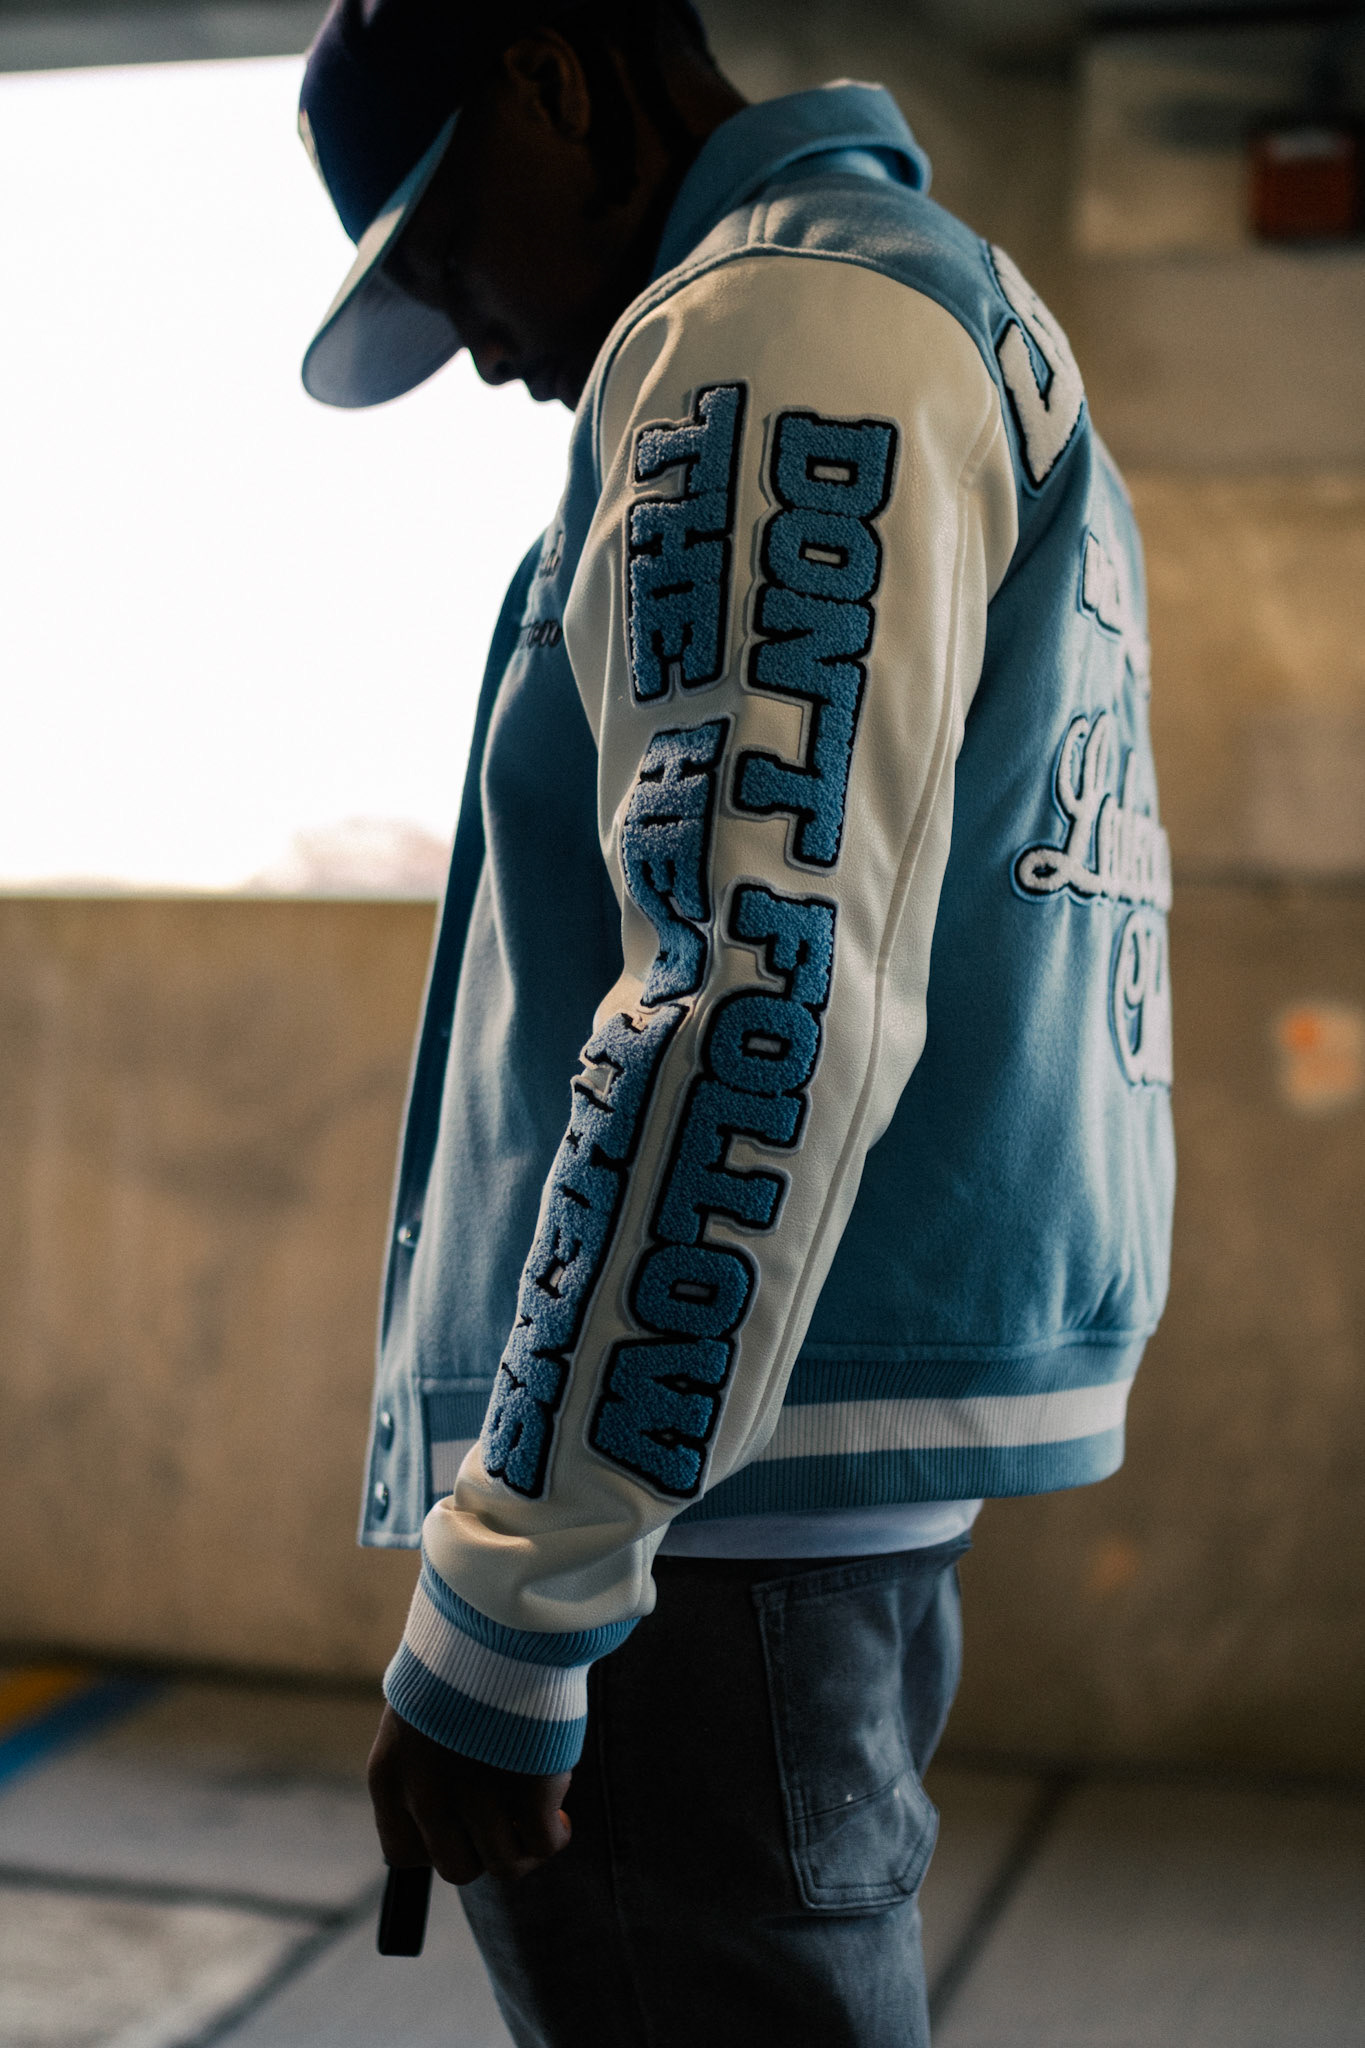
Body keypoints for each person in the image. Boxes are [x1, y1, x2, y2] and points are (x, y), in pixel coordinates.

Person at [296, 3, 1175, 2041]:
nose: (477, 341)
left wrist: (519, 1592)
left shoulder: (779, 330)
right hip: (752, 1498)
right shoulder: (896, 309)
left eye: (448, 242)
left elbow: (745, 990)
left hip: (693, 1542)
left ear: (554, 74)